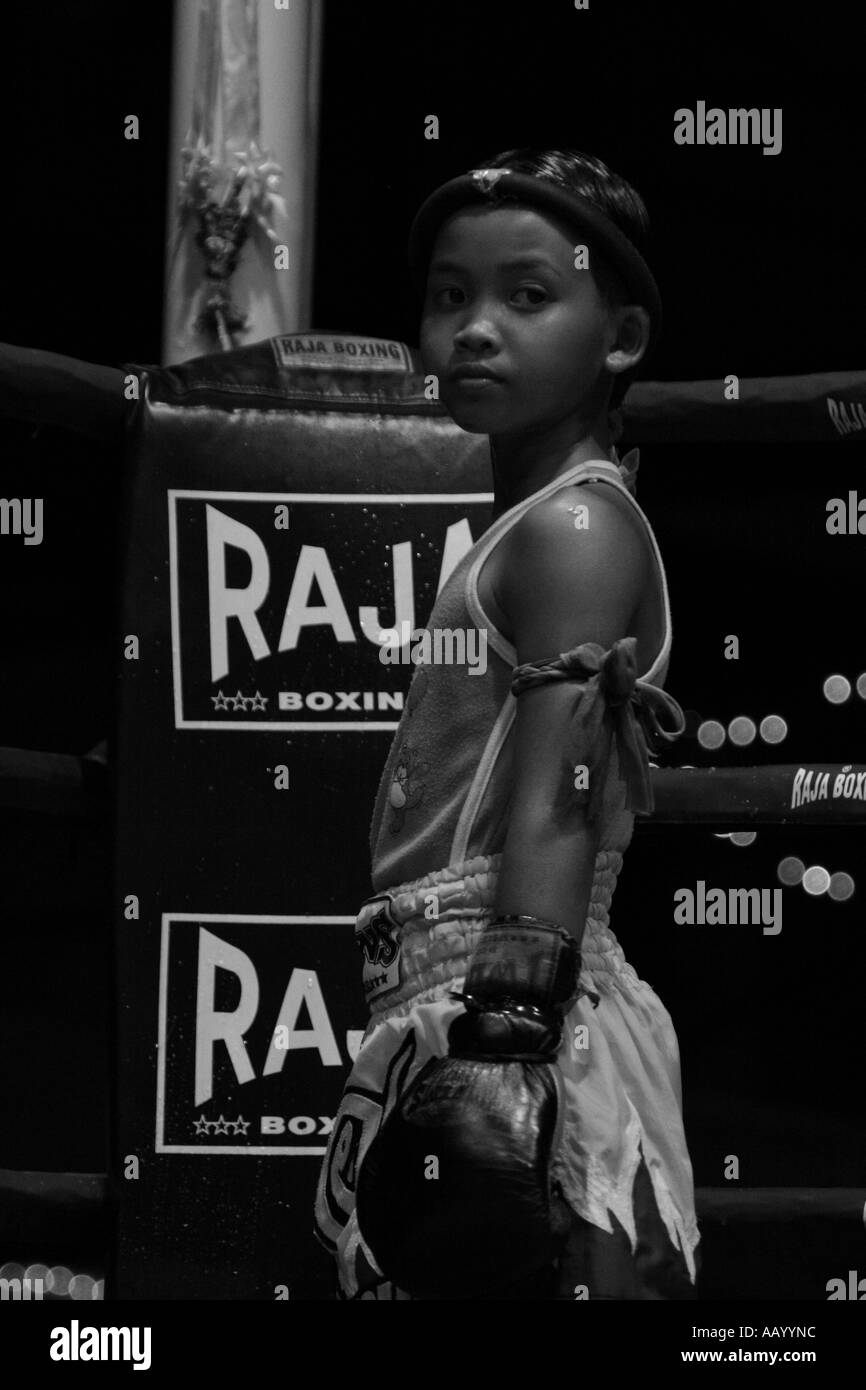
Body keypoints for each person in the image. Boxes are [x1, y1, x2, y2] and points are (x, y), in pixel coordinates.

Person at [313, 147, 700, 1301]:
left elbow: (557, 792)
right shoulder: (533, 526)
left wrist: (508, 1034)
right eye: (448, 296)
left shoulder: (575, 530)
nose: (475, 328)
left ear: (618, 335)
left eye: (526, 296)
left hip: (514, 1000)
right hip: (441, 1002)